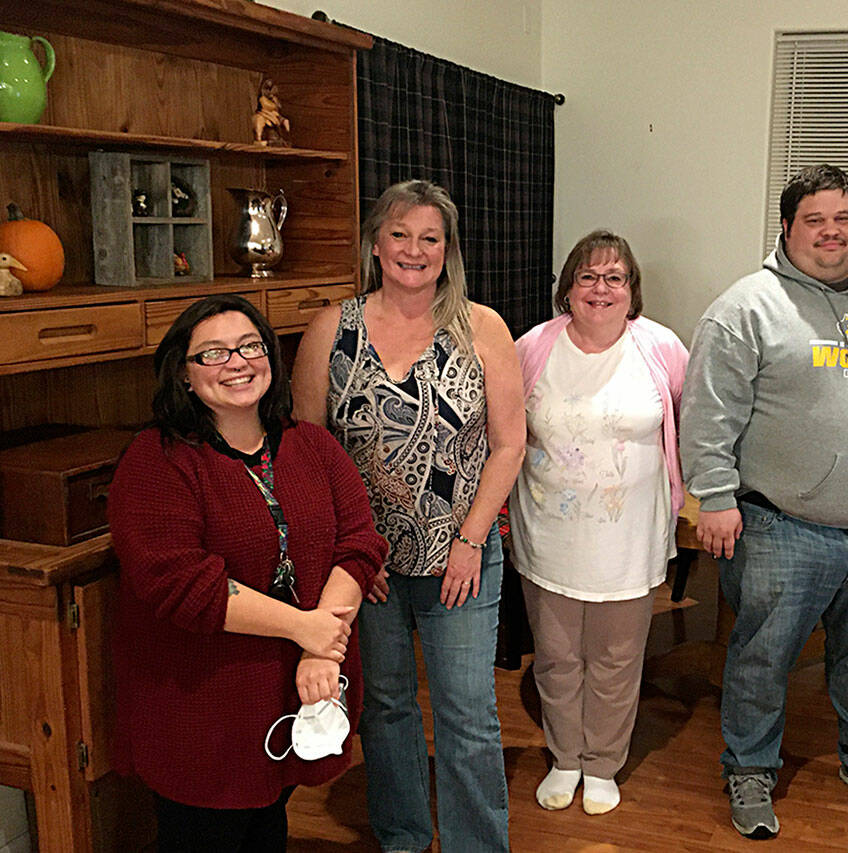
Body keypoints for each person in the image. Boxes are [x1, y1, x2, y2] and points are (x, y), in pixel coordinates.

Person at [680, 164, 848, 840]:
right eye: (815, 220)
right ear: (787, 227)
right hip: (781, 527)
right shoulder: (746, 308)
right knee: (762, 658)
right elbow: (708, 414)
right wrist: (714, 494)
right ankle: (749, 768)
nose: (831, 232)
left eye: (843, 218)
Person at [108, 294, 387, 852]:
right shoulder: (155, 461)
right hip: (201, 714)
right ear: (184, 376)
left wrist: (318, 648)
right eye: (212, 354)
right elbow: (185, 585)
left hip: (288, 698)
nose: (236, 362)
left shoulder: (311, 444)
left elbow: (358, 545)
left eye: (249, 346)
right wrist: (303, 628)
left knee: (267, 827)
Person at [293, 179, 525, 852]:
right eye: (400, 234)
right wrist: (349, 554)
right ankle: (402, 837)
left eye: (430, 237)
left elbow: (510, 442)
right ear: (375, 242)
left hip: (462, 556)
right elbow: (308, 453)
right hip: (365, 568)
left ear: (447, 251)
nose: (414, 250)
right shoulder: (331, 328)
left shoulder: (483, 327)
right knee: (386, 705)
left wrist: (470, 538)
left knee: (467, 713)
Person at [508, 229, 688, 816]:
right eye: (588, 276)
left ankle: (603, 762)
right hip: (549, 539)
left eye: (615, 278)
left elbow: (696, 424)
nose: (601, 288)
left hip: (629, 543)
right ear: (568, 287)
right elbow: (503, 432)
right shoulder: (533, 347)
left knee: (616, 659)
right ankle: (565, 758)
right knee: (558, 657)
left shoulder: (660, 348)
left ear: (632, 290)